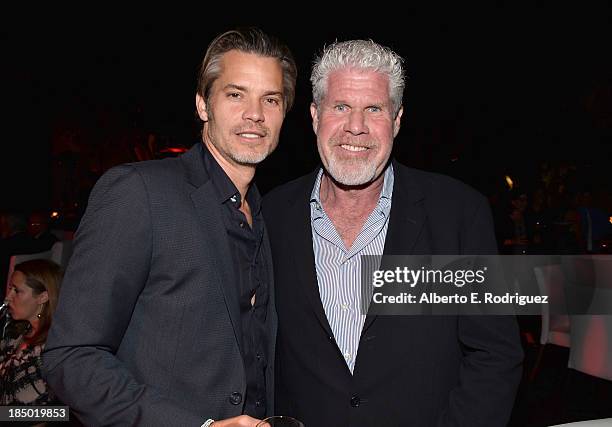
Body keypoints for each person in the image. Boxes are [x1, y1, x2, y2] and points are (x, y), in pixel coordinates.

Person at [42, 27, 297, 427]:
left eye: (271, 99)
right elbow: (71, 357)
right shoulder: (139, 192)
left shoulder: (265, 216)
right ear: (202, 104)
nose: (255, 114)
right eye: (235, 94)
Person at [262, 39, 523, 426]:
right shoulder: (270, 214)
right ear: (315, 116)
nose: (356, 126)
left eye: (374, 109)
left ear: (397, 120)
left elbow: (495, 354)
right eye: (341, 107)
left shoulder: (457, 214)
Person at [1, 259, 63, 406]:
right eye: (10, 288)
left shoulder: (51, 350)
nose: (8, 297)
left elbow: (49, 414)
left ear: (42, 297)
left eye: (17, 291)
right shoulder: (18, 330)